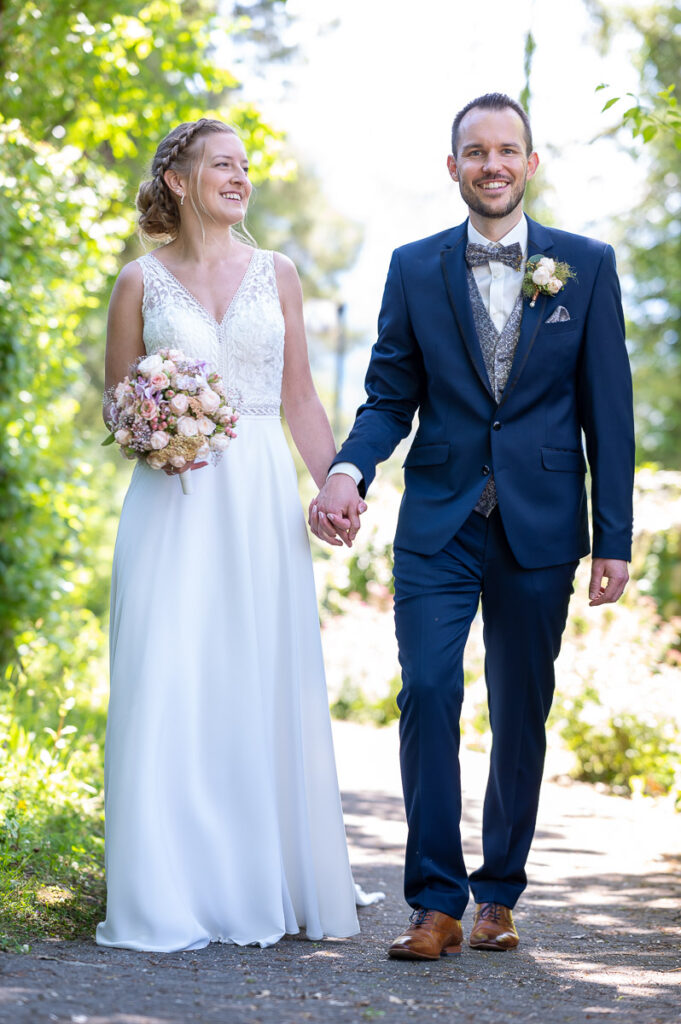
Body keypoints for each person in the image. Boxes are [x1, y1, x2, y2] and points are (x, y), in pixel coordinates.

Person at [310, 93, 635, 960]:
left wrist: (612, 537)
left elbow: (608, 411)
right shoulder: (413, 267)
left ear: (530, 162)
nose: (492, 164)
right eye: (475, 151)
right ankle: (434, 904)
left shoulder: (585, 265)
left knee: (520, 707)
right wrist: (347, 469)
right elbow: (389, 397)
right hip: (438, 520)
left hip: (541, 523)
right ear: (451, 166)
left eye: (506, 149)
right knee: (426, 689)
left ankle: (497, 895)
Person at [96, 118, 370, 951]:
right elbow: (116, 403)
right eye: (222, 164)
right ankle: (168, 886)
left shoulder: (277, 273)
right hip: (171, 501)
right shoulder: (138, 282)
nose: (240, 177)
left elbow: (299, 399)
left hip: (257, 499)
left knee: (257, 674)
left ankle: (260, 877)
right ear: (178, 181)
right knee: (169, 675)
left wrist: (334, 482)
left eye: (245, 166)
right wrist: (154, 427)